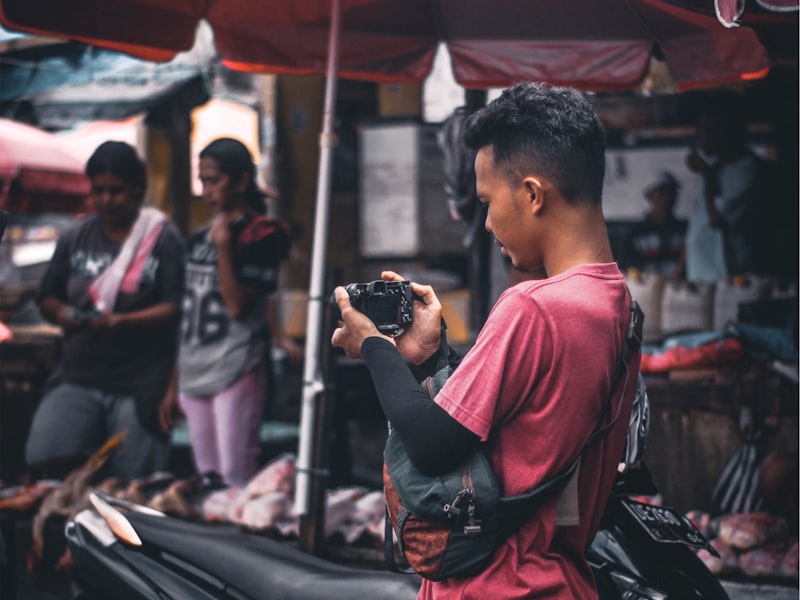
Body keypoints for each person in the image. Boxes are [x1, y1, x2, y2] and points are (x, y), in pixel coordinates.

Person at [332, 82, 640, 598]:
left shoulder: (533, 307)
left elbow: (432, 444)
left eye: (488, 201)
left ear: (533, 194)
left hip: (495, 585)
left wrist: (372, 346)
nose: (489, 222)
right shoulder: (617, 304)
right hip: (562, 580)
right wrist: (432, 359)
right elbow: (514, 432)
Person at [25, 141, 185, 479]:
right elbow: (47, 296)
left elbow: (178, 306)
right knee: (45, 461)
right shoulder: (76, 237)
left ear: (137, 188)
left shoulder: (162, 238)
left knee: (133, 484)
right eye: (99, 191)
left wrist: (123, 322)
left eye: (117, 190)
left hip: (141, 384)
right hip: (77, 377)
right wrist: (66, 315)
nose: (107, 199)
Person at [164, 138, 299, 488]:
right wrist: (172, 384)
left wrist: (224, 247)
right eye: (203, 181)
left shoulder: (261, 235)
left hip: (235, 367)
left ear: (240, 181)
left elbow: (239, 306)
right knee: (208, 480)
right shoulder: (196, 240)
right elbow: (187, 315)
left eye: (215, 180)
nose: (207, 190)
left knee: (235, 478)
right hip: (194, 371)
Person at [684, 101, 765, 283]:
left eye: (705, 129)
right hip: (700, 275)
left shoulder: (747, 169)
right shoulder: (715, 168)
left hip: (727, 276)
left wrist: (705, 173)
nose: (700, 136)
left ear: (723, 133)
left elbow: (716, 219)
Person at [623, 171, 687, 278]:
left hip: (678, 292)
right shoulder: (636, 233)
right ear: (650, 197)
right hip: (646, 291)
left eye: (671, 193)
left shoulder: (684, 231)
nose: (667, 198)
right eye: (661, 193)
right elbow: (627, 268)